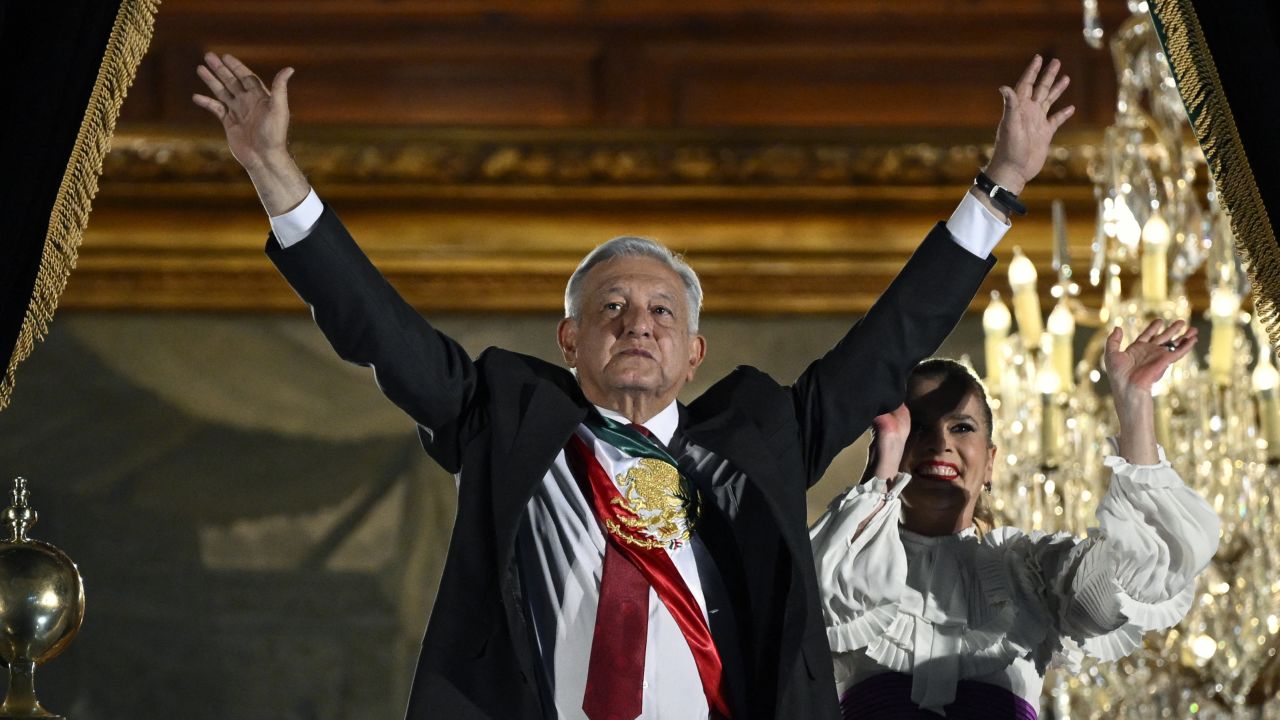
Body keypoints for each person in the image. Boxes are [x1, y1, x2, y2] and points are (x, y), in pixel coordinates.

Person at [192, 51, 1073, 720]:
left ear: (694, 354)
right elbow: (377, 330)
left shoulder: (759, 434)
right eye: (611, 306)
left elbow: (890, 342)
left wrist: (999, 190)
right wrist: (274, 172)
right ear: (570, 339)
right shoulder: (502, 417)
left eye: (661, 311)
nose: (637, 321)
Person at [809, 320, 1220, 719]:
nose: (940, 443)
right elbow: (818, 596)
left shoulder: (1029, 574)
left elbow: (1130, 576)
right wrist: (885, 456)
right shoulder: (847, 574)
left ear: (989, 463)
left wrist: (1134, 405)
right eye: (919, 427)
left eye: (962, 427)